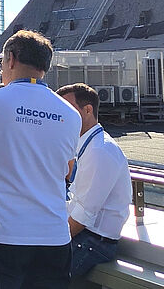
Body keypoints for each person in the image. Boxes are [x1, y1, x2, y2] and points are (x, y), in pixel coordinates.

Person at [0, 30, 81, 288]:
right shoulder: (70, 113)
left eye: (1, 63)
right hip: (53, 237)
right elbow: (66, 170)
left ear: (10, 59)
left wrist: (3, 166)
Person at [56, 83, 131, 278]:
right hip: (85, 236)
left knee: (40, 277)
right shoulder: (87, 145)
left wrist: (52, 241)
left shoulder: (100, 151)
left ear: (87, 110)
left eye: (66, 109)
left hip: (93, 242)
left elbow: (83, 214)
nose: (60, 116)